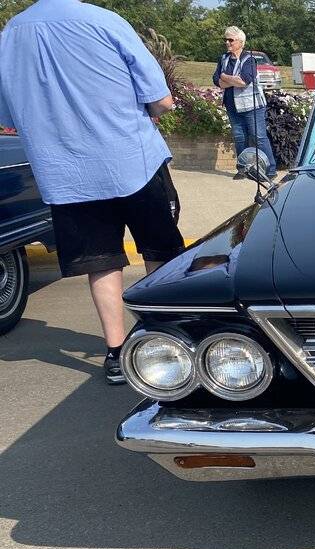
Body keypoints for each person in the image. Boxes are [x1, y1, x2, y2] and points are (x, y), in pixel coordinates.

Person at [0, 0, 185, 384]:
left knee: (100, 261)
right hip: (131, 160)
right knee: (160, 250)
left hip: (66, 174)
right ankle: (164, 340)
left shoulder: (11, 34)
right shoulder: (104, 21)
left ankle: (116, 354)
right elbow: (162, 100)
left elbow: (9, 116)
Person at [213, 27, 277, 180]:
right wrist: (230, 79)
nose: (227, 42)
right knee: (239, 137)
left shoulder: (249, 59)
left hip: (252, 105)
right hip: (232, 105)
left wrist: (224, 77)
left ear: (241, 42)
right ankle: (243, 169)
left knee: (258, 137)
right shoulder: (223, 58)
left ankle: (271, 171)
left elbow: (243, 81)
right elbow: (216, 80)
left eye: (231, 40)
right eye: (225, 39)